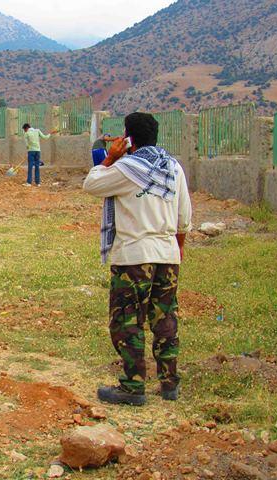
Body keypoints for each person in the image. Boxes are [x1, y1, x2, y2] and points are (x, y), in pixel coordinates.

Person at [82, 112, 192, 406]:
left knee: (128, 321)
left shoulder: (127, 168)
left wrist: (110, 158)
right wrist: (176, 251)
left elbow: (91, 184)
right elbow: (184, 218)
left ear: (129, 138)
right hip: (167, 254)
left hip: (134, 256)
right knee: (165, 319)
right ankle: (169, 383)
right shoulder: (174, 168)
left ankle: (133, 386)